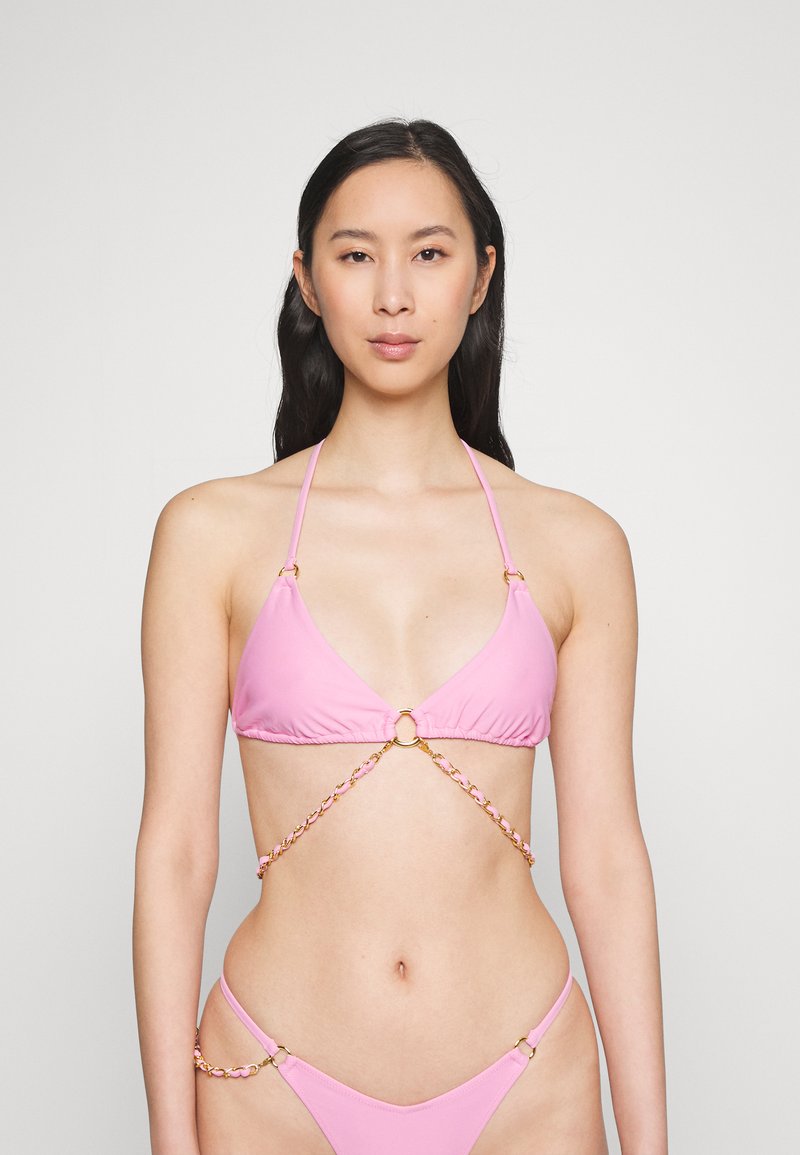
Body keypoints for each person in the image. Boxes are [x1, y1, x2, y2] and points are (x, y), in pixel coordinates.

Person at [133, 118, 667, 1155]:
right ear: (305, 278)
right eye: (353, 256)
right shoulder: (209, 533)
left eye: (428, 253)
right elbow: (176, 852)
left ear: (480, 277)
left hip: (528, 1086)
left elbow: (606, 860)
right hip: (271, 1084)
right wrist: (168, 1140)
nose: (392, 295)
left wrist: (651, 1145)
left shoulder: (576, 543)